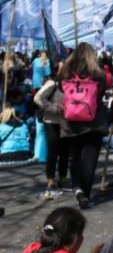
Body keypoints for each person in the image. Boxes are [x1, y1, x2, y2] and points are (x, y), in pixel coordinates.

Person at [58, 43, 108, 209]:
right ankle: (85, 193)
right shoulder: (98, 73)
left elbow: (61, 88)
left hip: (72, 120)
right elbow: (101, 92)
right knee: (90, 159)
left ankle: (77, 189)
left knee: (75, 157)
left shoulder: (66, 71)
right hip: (93, 120)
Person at [34, 64, 69, 199]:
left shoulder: (71, 82)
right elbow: (37, 98)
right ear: (57, 70)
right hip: (51, 122)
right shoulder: (52, 83)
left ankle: (63, 178)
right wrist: (54, 108)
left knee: (65, 152)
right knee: (53, 152)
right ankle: (50, 180)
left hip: (66, 122)